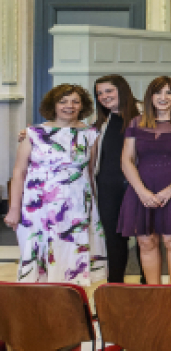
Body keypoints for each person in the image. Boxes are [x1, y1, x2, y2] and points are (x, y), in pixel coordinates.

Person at [5, 85, 106, 285]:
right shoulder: (33, 133)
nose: (70, 106)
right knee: (38, 254)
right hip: (38, 207)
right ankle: (39, 302)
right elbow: (19, 173)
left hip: (76, 206)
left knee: (71, 254)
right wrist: (14, 209)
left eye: (75, 101)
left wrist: (93, 209)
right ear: (53, 105)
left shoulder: (90, 133)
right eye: (63, 101)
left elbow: (89, 172)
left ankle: (69, 300)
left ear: (82, 105)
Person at [119, 77, 171, 285]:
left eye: (169, 92)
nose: (163, 97)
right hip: (142, 188)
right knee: (146, 241)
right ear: (150, 96)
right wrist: (141, 191)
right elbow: (126, 160)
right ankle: (154, 292)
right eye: (158, 92)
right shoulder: (136, 122)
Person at [91, 75, 143, 283]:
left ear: (122, 90)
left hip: (138, 185)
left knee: (144, 237)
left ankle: (148, 284)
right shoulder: (101, 122)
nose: (104, 96)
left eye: (109, 91)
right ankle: (115, 286)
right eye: (99, 93)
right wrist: (30, 133)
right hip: (107, 187)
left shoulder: (144, 114)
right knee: (113, 238)